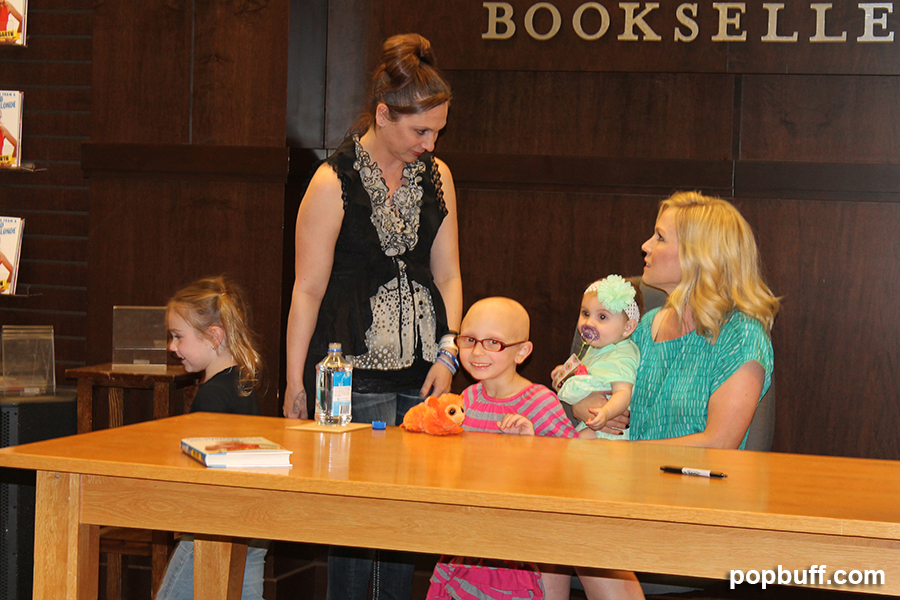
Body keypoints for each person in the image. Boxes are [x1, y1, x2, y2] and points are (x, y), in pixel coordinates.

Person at [283, 33, 463, 600]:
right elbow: (307, 291)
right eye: (420, 131)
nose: (430, 144)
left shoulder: (438, 177)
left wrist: (449, 353)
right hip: (350, 376)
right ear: (384, 115)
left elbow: (449, 276)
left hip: (423, 371)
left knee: (406, 519)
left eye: (437, 132)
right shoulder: (331, 181)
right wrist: (294, 384)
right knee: (355, 523)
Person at [574, 191, 780, 449]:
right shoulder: (642, 327)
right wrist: (581, 405)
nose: (646, 246)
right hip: (623, 471)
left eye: (660, 237)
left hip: (690, 476)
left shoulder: (741, 335)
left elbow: (720, 443)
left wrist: (630, 455)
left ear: (699, 256)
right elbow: (591, 380)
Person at [427, 297, 575, 600]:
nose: (477, 352)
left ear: (521, 352)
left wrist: (530, 446)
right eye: (469, 340)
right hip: (471, 538)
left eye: (493, 343)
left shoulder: (540, 402)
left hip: (520, 545)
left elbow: (569, 470)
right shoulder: (467, 399)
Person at [156, 275, 267, 600]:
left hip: (212, 526)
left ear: (214, 336)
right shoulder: (242, 385)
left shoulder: (212, 397)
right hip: (253, 522)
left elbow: (199, 468)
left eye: (178, 336)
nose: (171, 347)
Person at [552, 275, 642, 440]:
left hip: (607, 429)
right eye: (585, 313)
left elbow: (623, 392)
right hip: (592, 423)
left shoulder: (621, 355)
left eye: (602, 317)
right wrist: (567, 373)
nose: (589, 323)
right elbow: (590, 375)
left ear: (628, 327)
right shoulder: (599, 347)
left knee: (568, 446)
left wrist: (606, 412)